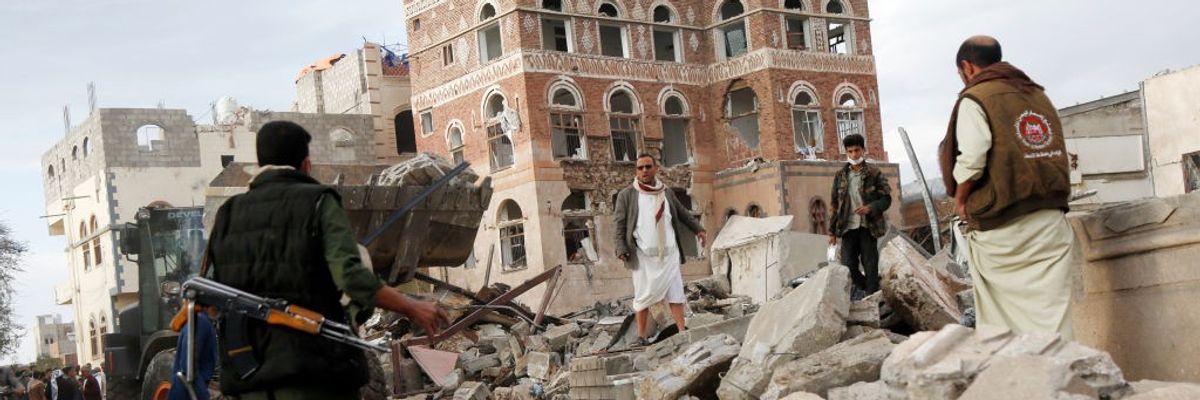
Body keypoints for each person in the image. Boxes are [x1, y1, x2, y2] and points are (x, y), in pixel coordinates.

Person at [205, 121, 451, 399]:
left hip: (247, 378)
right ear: (306, 165)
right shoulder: (319, 202)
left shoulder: (227, 214)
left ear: (260, 162)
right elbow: (351, 277)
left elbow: (214, 301)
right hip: (313, 375)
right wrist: (412, 306)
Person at [938, 35, 1074, 338]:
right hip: (1050, 218)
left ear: (967, 67)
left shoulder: (976, 98)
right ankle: (1065, 373)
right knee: (1052, 311)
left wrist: (961, 200)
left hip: (1005, 227)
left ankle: (1019, 378)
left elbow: (973, 156)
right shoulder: (1037, 94)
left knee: (1003, 316)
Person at [614, 153, 706, 343]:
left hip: (669, 254)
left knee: (676, 293)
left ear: (656, 168)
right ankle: (641, 336)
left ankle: (682, 331)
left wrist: (698, 230)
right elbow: (619, 225)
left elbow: (683, 214)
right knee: (643, 296)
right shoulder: (627, 195)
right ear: (636, 171)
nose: (645, 171)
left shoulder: (666, 192)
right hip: (643, 256)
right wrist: (620, 248)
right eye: (641, 168)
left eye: (648, 166)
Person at [828, 133, 892, 299]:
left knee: (870, 265)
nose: (854, 155)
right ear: (846, 153)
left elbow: (886, 199)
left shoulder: (874, 173)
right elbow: (834, 204)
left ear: (863, 150)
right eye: (850, 151)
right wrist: (832, 232)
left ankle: (873, 297)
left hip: (867, 227)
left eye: (857, 150)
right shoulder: (840, 176)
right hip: (848, 227)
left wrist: (870, 208)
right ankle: (868, 287)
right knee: (848, 266)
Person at [167, 306, 218, 400]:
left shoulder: (202, 321)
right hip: (187, 392)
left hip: (188, 389)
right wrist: (205, 396)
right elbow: (188, 367)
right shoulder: (201, 322)